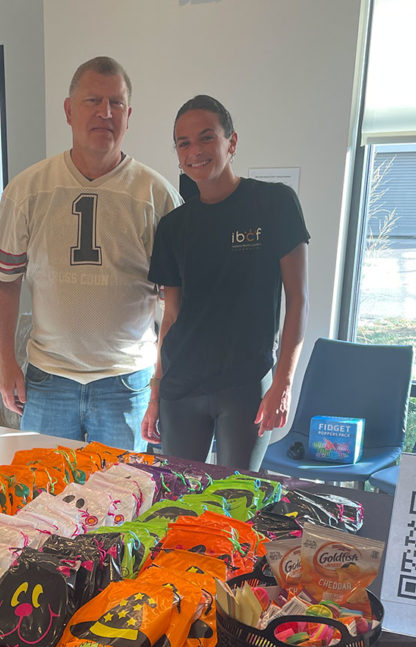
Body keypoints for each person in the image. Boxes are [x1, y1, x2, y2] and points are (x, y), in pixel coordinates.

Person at [0, 56, 181, 451]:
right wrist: (6, 363)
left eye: (116, 103)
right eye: (93, 101)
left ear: (129, 115)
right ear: (68, 110)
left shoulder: (156, 196)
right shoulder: (28, 190)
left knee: (123, 502)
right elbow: (5, 286)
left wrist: (160, 382)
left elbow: (174, 304)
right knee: (46, 498)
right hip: (49, 379)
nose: (105, 113)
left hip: (127, 383)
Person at [142, 95, 310, 471]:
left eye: (206, 138)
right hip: (181, 386)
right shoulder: (173, 227)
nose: (195, 151)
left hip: (245, 384)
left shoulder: (275, 204)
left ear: (231, 142)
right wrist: (155, 393)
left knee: (236, 502)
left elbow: (298, 301)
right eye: (183, 143)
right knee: (179, 501)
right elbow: (170, 317)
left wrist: (282, 384)